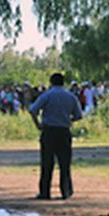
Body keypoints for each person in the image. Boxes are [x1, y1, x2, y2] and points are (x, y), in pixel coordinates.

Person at [28, 72, 84, 200]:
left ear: (51, 82)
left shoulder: (47, 95)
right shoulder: (70, 97)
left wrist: (38, 124)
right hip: (64, 131)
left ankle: (45, 192)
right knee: (65, 163)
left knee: (47, 162)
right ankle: (66, 191)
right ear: (63, 82)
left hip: (49, 131)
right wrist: (67, 119)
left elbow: (33, 110)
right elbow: (79, 115)